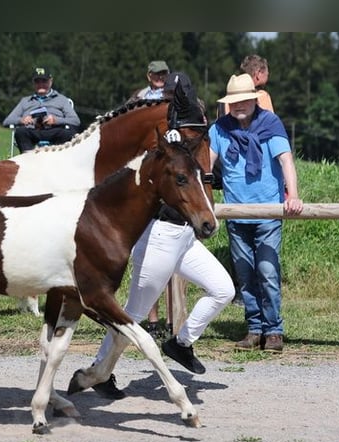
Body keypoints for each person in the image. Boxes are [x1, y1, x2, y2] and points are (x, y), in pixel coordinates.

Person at [76, 71, 235, 401]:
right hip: (160, 236)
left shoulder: (191, 141)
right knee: (132, 315)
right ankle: (97, 371)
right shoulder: (166, 144)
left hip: (185, 238)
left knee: (223, 289)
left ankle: (180, 343)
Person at [209, 73, 303, 353]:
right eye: (233, 102)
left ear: (253, 99)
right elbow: (207, 164)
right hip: (235, 214)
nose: (238, 106)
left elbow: (286, 161)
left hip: (268, 212)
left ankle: (274, 330)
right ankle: (254, 329)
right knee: (246, 276)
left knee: (267, 272)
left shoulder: (270, 124)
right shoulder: (219, 129)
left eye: (243, 101)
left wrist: (293, 195)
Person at [127, 59, 172, 337]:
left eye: (164, 74)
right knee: (147, 258)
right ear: (148, 76)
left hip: (169, 179)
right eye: (156, 74)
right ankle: (152, 319)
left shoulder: (176, 99)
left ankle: (171, 319)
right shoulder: (137, 100)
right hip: (145, 178)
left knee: (170, 258)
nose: (160, 78)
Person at [2, 66, 80, 153]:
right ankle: (29, 160)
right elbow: (7, 121)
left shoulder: (62, 100)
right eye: (37, 82)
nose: (41, 85)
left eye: (44, 81)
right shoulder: (25, 101)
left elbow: (75, 120)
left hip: (54, 131)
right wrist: (22, 120)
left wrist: (56, 120)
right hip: (32, 131)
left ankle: (56, 160)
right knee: (20, 132)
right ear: (33, 83)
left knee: (66, 134)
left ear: (51, 81)